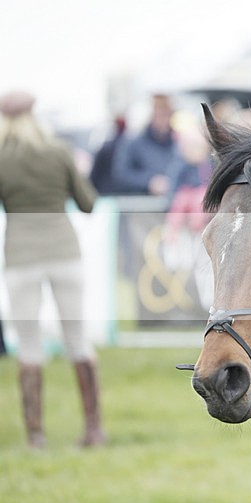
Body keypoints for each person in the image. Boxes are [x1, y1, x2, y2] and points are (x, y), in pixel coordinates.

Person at [0, 91, 106, 448]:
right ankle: (93, 429)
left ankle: (35, 435)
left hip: (20, 256)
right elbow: (88, 203)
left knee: (28, 346)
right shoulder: (58, 151)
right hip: (65, 252)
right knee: (77, 339)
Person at [111, 93, 185, 196]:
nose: (164, 119)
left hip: (173, 205)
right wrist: (149, 182)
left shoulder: (179, 142)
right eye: (160, 113)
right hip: (141, 206)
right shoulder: (133, 142)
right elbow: (121, 175)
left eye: (167, 114)